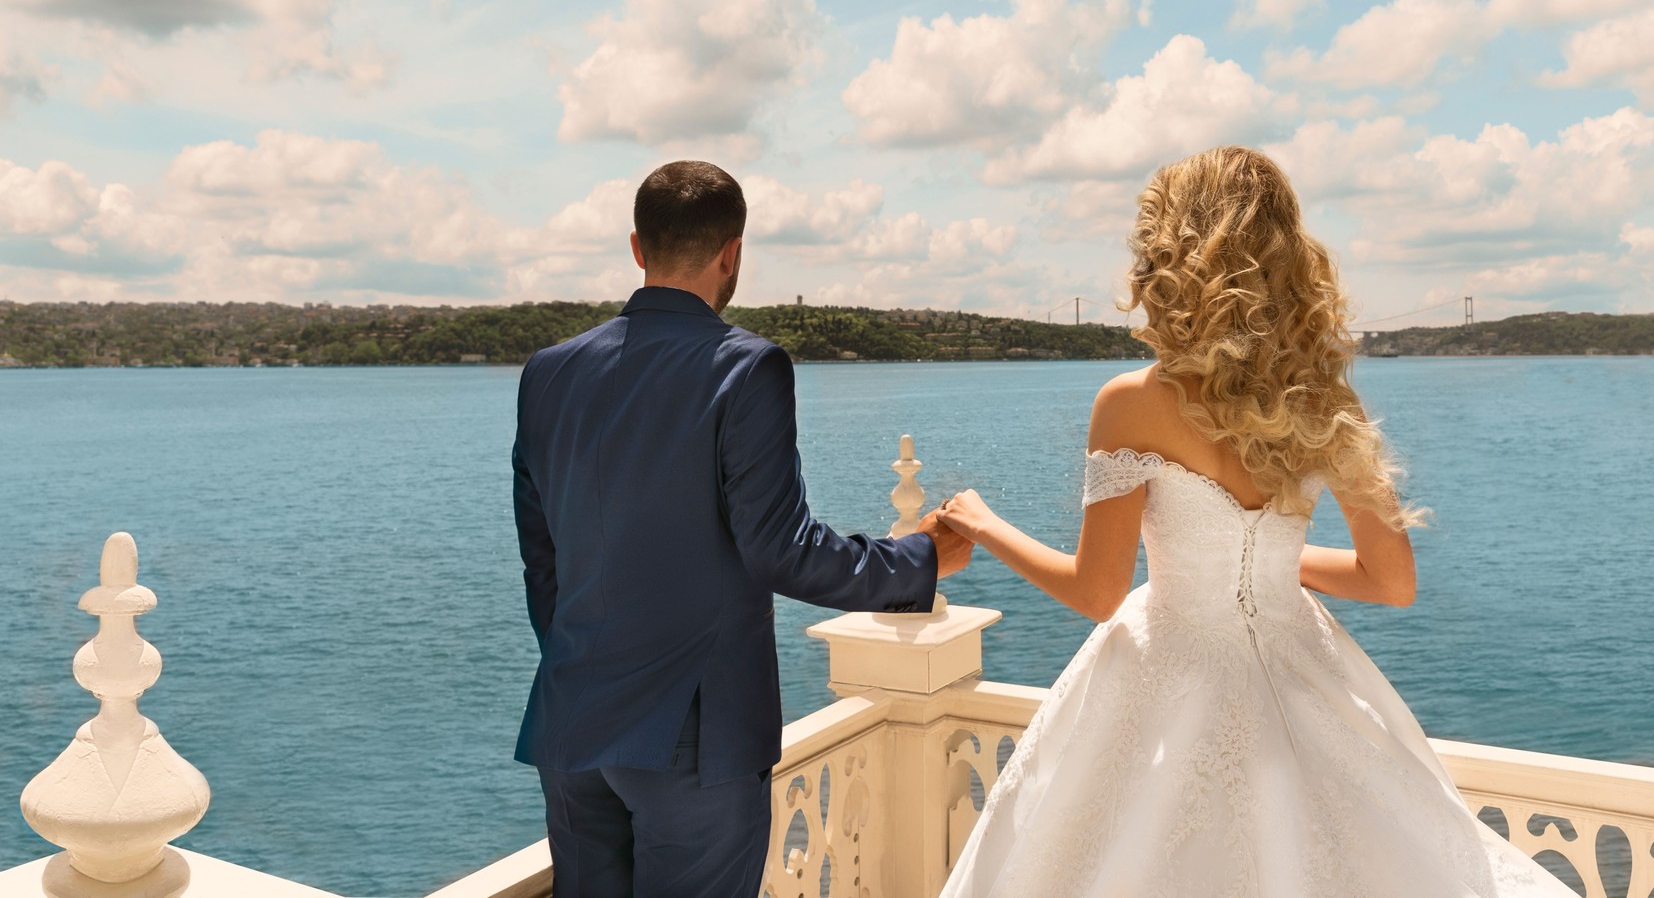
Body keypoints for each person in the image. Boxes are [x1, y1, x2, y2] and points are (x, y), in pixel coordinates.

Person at [931, 146, 1575, 896]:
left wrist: (981, 522)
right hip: (1305, 672)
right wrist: (1269, 561)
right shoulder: (1326, 402)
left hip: (1167, 679)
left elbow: (1099, 594)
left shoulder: (1132, 403)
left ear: (1174, 256)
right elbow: (1391, 581)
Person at [511, 160, 974, 898]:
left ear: (638, 247)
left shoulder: (548, 372)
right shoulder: (746, 368)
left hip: (575, 723)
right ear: (733, 254)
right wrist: (918, 559)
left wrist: (585, 668)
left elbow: (544, 567)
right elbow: (781, 549)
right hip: (695, 742)